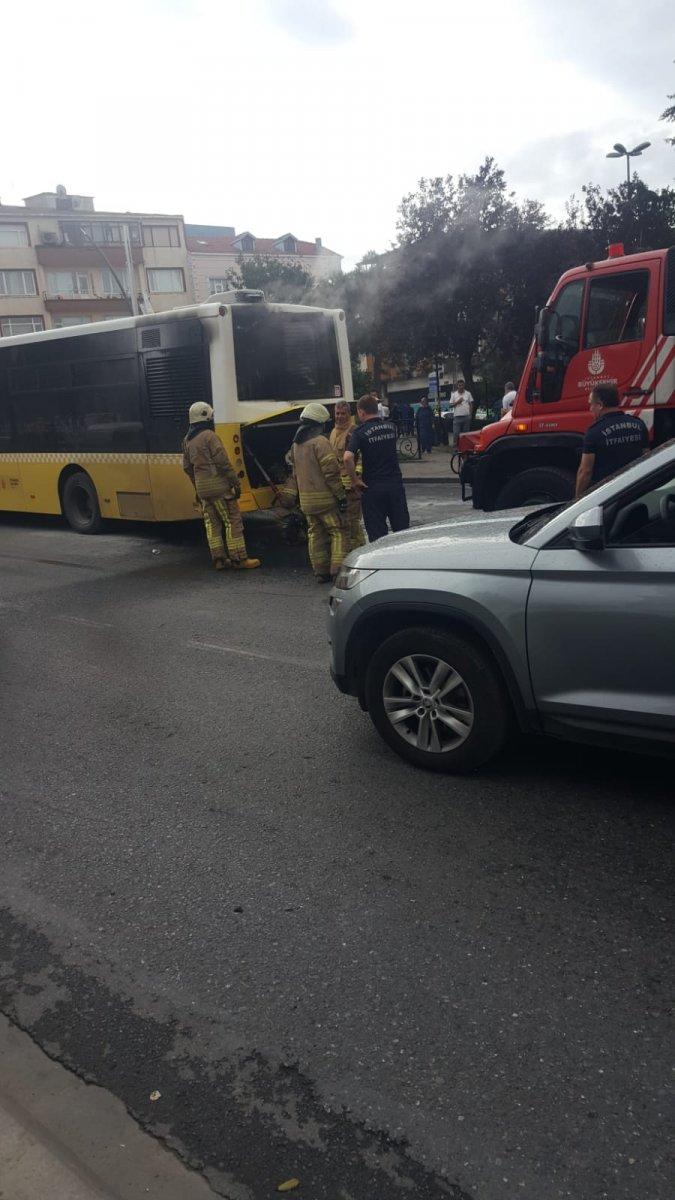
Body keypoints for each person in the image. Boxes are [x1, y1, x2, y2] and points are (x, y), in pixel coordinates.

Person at [182, 402, 260, 571]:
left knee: (212, 523)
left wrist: (197, 485)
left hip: (203, 490)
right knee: (232, 521)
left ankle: (219, 560)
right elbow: (223, 462)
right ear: (206, 417)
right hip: (219, 488)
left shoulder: (187, 440)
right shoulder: (209, 436)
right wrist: (235, 482)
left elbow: (187, 467)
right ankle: (239, 559)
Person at [286, 402, 348, 582]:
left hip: (306, 502)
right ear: (319, 423)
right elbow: (331, 473)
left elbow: (295, 474)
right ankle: (337, 569)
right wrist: (341, 495)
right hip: (325, 500)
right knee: (338, 530)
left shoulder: (295, 445)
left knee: (315, 534)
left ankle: (320, 571)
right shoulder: (320, 442)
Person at [343, 393, 410, 542]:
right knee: (403, 535)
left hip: (373, 489)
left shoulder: (359, 433)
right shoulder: (392, 427)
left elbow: (347, 457)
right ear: (376, 409)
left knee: (378, 537)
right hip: (395, 486)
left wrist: (354, 481)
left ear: (361, 412)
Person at [575, 385, 649, 499]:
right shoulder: (638, 424)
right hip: (635, 489)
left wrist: (576, 501)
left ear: (600, 405)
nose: (590, 409)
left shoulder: (594, 431)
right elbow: (647, 457)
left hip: (609, 494)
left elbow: (585, 471)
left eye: (591, 404)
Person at [329, 400, 366, 552]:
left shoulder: (353, 431)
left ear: (349, 414)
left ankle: (360, 551)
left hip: (351, 488)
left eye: (343, 413)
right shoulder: (333, 432)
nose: (340, 416)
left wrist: (356, 477)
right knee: (343, 523)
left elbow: (362, 457)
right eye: (337, 413)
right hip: (338, 488)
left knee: (353, 523)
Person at [448, 380, 474, 446]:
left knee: (466, 434)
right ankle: (455, 448)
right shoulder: (454, 394)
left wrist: (470, 414)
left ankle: (465, 448)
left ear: (464, 385)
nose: (461, 387)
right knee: (456, 433)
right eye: (459, 385)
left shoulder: (468, 393)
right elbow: (450, 405)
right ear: (457, 386)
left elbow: (471, 404)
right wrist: (457, 402)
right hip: (457, 417)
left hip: (466, 416)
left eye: (462, 385)